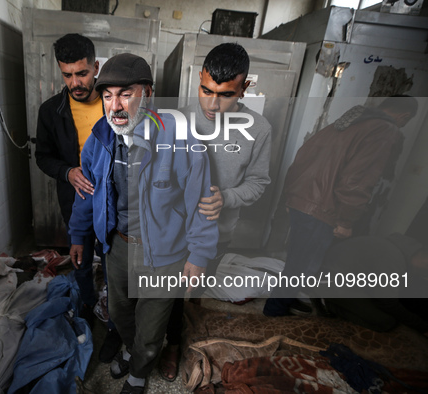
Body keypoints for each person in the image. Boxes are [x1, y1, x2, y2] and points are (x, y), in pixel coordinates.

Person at [69, 53, 218, 394]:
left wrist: (199, 254)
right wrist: (78, 234)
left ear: (148, 93)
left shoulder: (180, 137)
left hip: (164, 251)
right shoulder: (100, 139)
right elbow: (87, 193)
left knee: (152, 326)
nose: (115, 105)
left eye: (125, 94)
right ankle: (127, 346)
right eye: (107, 96)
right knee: (119, 314)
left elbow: (201, 202)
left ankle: (138, 372)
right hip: (118, 245)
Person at [159, 42, 272, 381]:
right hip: (175, 231)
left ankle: (188, 330)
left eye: (224, 95)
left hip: (219, 233)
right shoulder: (176, 119)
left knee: (195, 288)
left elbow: (259, 182)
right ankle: (174, 344)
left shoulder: (259, 129)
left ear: (245, 88)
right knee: (170, 293)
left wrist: (228, 197)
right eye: (205, 90)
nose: (211, 103)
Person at [263, 95, 418, 317]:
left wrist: (292, 197)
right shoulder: (384, 130)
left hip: (304, 200)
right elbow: (358, 180)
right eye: (406, 121)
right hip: (323, 208)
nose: (403, 125)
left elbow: (301, 158)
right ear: (404, 116)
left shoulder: (345, 123)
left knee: (298, 260)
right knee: (303, 265)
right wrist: (346, 220)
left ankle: (286, 301)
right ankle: (275, 311)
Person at [34, 33, 121, 362]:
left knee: (114, 267)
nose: (75, 82)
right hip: (78, 204)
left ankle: (114, 324)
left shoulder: (115, 102)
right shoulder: (51, 111)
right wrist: (68, 172)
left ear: (96, 67)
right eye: (67, 75)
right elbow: (44, 157)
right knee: (81, 261)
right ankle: (86, 306)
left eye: (82, 73)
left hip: (114, 204)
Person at [319, 234, 428, 335]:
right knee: (385, 322)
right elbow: (387, 303)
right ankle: (328, 304)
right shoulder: (393, 258)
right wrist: (420, 325)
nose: (425, 277)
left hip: (341, 277)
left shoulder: (398, 248)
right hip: (332, 282)